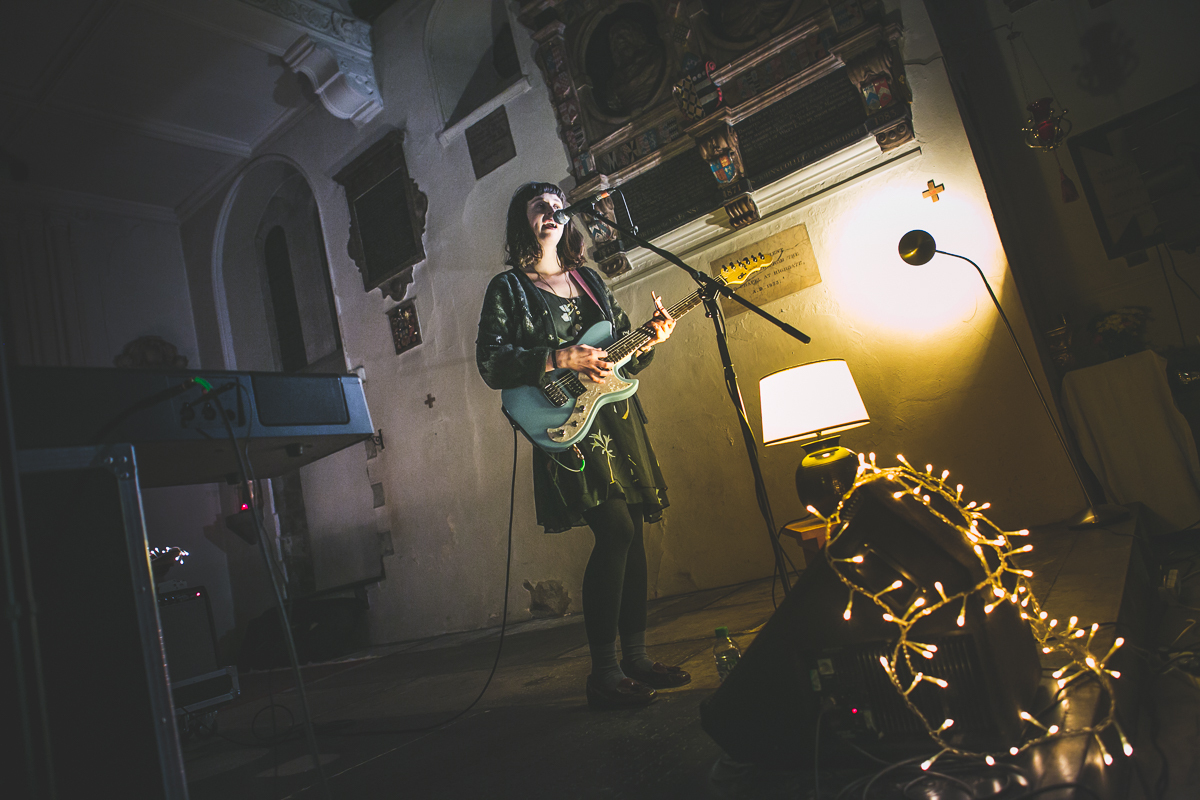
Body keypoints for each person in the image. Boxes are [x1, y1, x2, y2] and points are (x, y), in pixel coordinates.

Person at [476, 182, 691, 710]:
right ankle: (604, 672)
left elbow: (620, 358)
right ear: (521, 222)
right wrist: (556, 358)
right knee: (615, 529)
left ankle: (637, 660)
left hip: (615, 417)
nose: (550, 211)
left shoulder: (590, 281)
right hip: (563, 426)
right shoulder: (508, 289)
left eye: (556, 204)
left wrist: (652, 340)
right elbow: (491, 363)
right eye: (537, 206)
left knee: (633, 533)